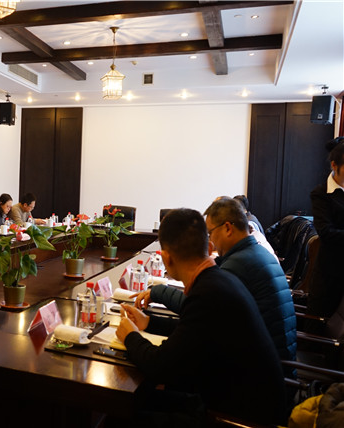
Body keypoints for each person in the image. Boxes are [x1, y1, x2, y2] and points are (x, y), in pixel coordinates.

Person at [116, 209, 287, 425]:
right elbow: (192, 332)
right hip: (241, 401)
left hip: (237, 418)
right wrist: (149, 322)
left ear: (166, 258)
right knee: (139, 401)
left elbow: (160, 367)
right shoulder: (218, 280)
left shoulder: (208, 292)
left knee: (120, 416)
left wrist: (130, 336)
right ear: (209, 248)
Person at [134, 198, 296, 368]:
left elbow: (195, 307)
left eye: (210, 233)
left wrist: (158, 292)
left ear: (227, 228)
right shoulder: (254, 252)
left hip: (260, 368)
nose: (210, 241)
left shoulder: (239, 264)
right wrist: (150, 322)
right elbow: (201, 321)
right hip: (275, 358)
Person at [308, 137, 344, 318]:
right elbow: (326, 232)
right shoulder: (321, 194)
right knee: (319, 325)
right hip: (329, 275)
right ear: (334, 165)